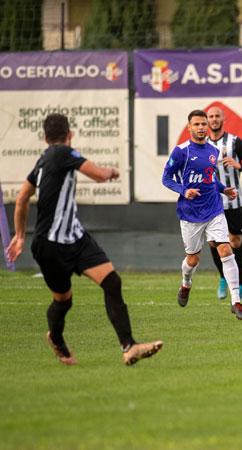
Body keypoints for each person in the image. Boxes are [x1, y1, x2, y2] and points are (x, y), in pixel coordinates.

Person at [5, 113, 163, 366]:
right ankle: (56, 338)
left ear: (45, 137)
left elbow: (23, 197)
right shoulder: (65, 153)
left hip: (73, 239)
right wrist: (111, 172)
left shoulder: (43, 160)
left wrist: (21, 236)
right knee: (63, 301)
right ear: (70, 135)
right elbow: (99, 175)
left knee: (111, 282)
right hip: (52, 244)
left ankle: (129, 346)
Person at [161, 110, 242, 320]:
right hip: (190, 213)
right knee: (192, 259)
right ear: (189, 127)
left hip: (214, 208)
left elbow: (209, 178)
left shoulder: (212, 150)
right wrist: (184, 190)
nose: (201, 127)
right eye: (197, 124)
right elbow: (166, 178)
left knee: (226, 249)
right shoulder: (181, 151)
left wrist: (223, 189)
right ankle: (186, 284)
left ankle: (236, 301)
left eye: (203, 124)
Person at [206, 106, 242, 302]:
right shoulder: (201, 144)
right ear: (207, 120)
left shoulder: (234, 142)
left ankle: (241, 283)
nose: (213, 119)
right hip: (211, 202)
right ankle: (223, 279)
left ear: (223, 119)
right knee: (214, 242)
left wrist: (240, 165)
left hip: (234, 201)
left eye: (217, 116)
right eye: (210, 116)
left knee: (235, 241)